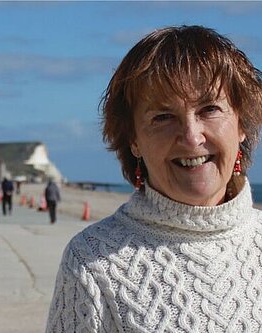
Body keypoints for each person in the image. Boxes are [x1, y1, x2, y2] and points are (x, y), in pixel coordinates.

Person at [46, 25, 262, 332]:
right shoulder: (92, 261)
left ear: (242, 124)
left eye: (209, 109)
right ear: (133, 139)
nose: (191, 136)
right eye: (163, 117)